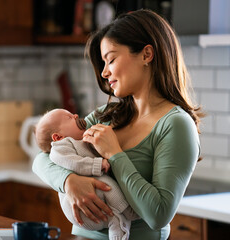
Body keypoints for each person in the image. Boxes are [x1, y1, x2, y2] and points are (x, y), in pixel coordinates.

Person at [32, 9, 202, 240]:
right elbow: (42, 158)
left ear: (146, 54)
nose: (104, 72)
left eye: (111, 59)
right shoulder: (107, 114)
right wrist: (68, 181)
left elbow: (158, 214)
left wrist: (114, 153)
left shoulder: (175, 125)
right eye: (103, 63)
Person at [35, 108, 139, 240]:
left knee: (115, 219)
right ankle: (130, 212)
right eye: (69, 117)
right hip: (80, 211)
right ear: (58, 137)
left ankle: (119, 232)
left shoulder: (79, 140)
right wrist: (96, 165)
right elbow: (75, 163)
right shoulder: (60, 147)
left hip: (94, 208)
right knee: (107, 186)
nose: (76, 115)